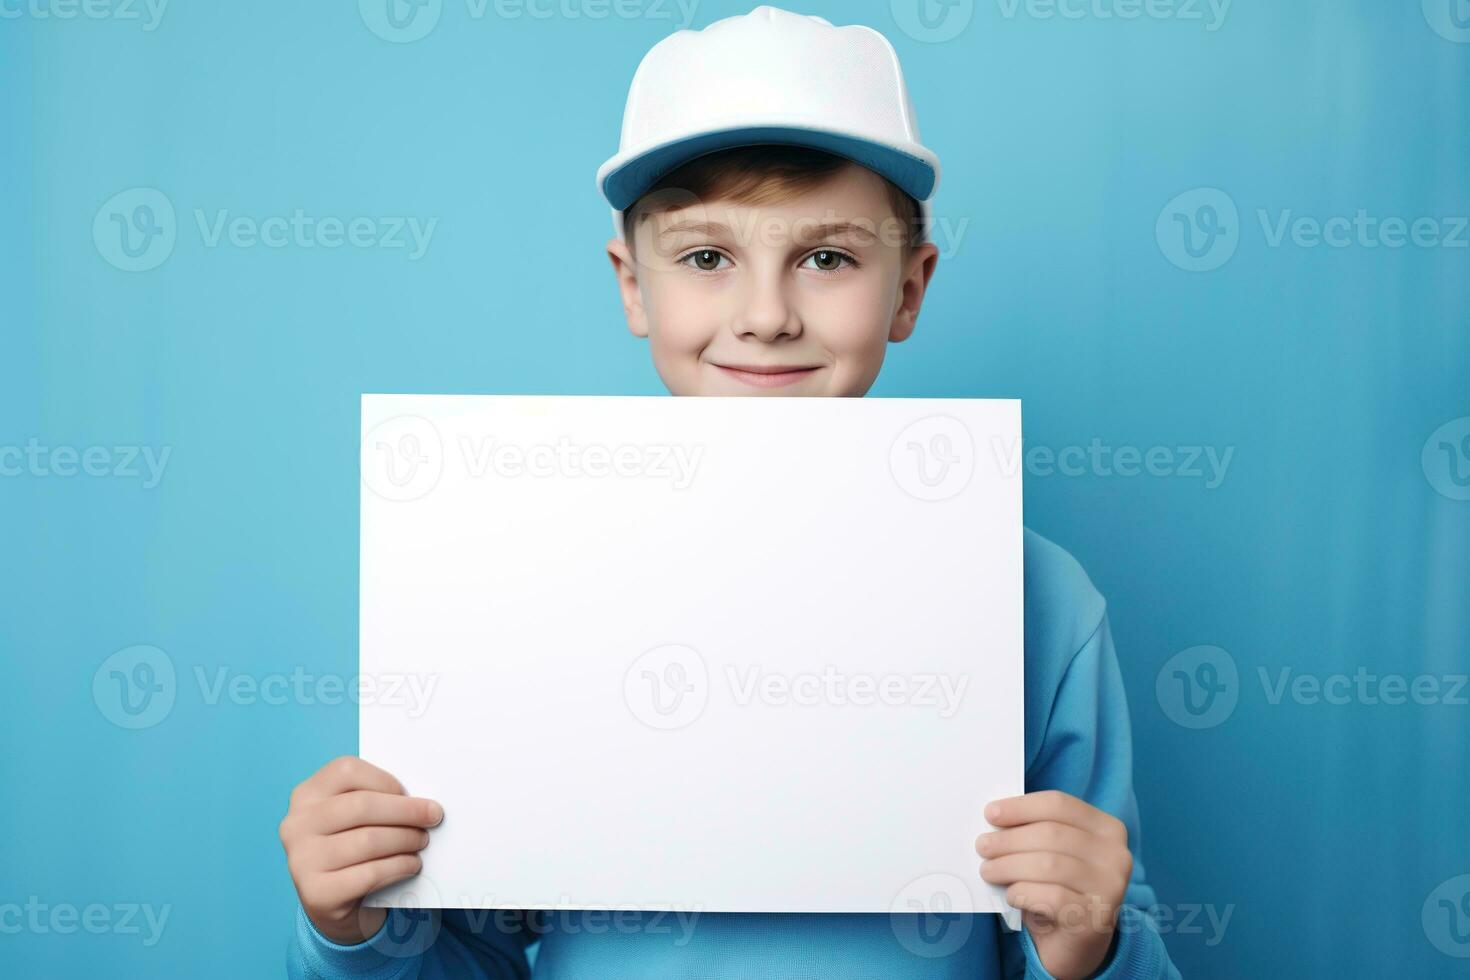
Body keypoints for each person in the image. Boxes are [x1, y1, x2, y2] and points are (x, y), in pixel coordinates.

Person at [281, 7, 1181, 978]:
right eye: (707, 258)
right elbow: (475, 958)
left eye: (827, 258)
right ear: (633, 285)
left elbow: (1083, 931)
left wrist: (1094, 947)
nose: (764, 316)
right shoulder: (519, 572)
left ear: (909, 290)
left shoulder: (1037, 599)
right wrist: (355, 927)